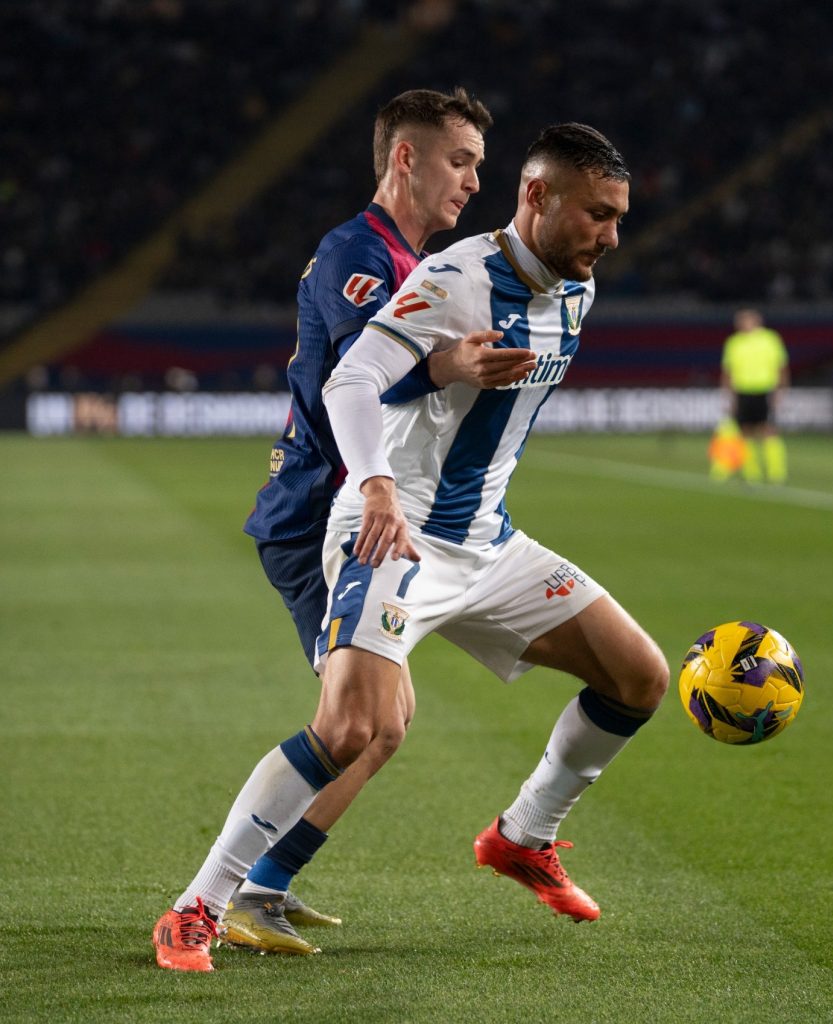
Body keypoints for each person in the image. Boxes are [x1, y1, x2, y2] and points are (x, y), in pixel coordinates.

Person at [153, 87, 536, 971]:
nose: (475, 181)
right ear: (405, 157)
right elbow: (354, 385)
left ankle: (260, 887)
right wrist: (449, 362)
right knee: (360, 720)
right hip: (324, 515)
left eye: (480, 164)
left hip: (370, 519)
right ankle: (200, 905)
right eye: (461, 160)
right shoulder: (358, 254)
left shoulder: (413, 258)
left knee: (384, 721)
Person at [313, 122, 667, 926]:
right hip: (401, 534)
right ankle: (229, 892)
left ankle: (523, 835)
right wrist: (439, 378)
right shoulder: (455, 276)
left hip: (490, 542)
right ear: (536, 196)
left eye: (620, 219)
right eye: (596, 215)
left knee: (640, 677)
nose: (611, 237)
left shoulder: (579, 289)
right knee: (357, 730)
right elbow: (355, 379)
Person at [720, 308, 789, 483]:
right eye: (741, 321)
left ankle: (776, 472)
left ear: (757, 321)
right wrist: (729, 395)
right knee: (745, 432)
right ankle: (752, 471)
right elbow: (727, 371)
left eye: (747, 320)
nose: (743, 324)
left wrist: (781, 391)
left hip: (765, 389)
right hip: (743, 391)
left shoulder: (770, 339)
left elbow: (781, 366)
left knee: (768, 430)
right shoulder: (734, 342)